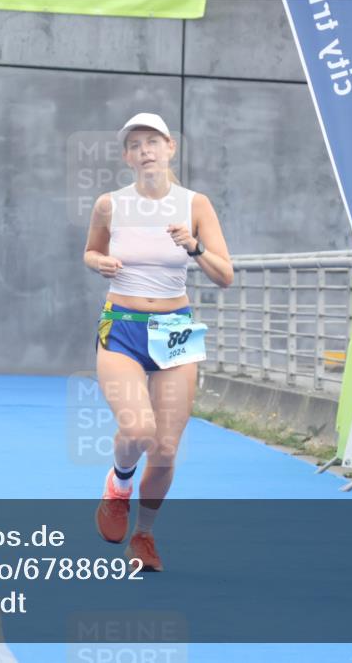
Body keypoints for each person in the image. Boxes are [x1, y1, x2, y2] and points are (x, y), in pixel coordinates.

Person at [83, 113, 234, 571]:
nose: (145, 149)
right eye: (136, 144)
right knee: (138, 431)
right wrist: (99, 263)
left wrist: (194, 247)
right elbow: (90, 250)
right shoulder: (110, 205)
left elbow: (225, 275)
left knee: (166, 447)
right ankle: (118, 486)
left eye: (154, 141)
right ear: (127, 157)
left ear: (171, 148)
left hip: (175, 329)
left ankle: (144, 536)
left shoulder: (196, 204)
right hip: (123, 326)